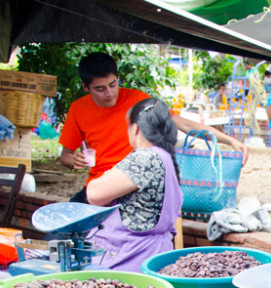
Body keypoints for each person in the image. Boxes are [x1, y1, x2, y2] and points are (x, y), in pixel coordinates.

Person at [59, 52, 248, 203]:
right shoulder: (78, 109)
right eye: (100, 89)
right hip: (101, 185)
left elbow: (185, 124)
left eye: (113, 85)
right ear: (85, 87)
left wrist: (230, 140)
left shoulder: (138, 100)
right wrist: (74, 159)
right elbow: (65, 156)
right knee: (64, 227)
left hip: (135, 185)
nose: (109, 93)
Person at [85, 97, 183, 271]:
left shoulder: (145, 158)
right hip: (154, 257)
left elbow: (94, 194)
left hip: (131, 259)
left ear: (135, 128)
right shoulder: (166, 157)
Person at [245, 60, 266, 139]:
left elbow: (256, 81)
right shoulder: (247, 72)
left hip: (255, 92)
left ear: (247, 64)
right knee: (250, 113)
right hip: (250, 92)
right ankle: (251, 131)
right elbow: (247, 81)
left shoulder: (254, 70)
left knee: (255, 109)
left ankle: (254, 131)